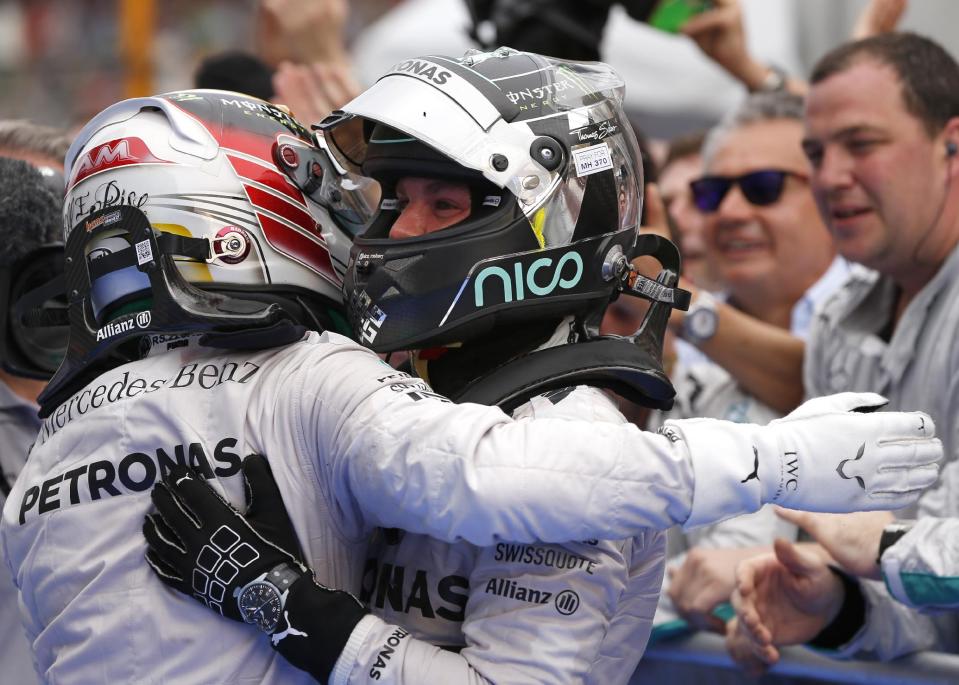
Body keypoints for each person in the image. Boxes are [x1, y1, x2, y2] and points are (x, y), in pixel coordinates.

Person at [0, 73, 938, 685]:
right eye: (396, 201)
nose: (398, 233)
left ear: (540, 226)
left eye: (441, 202)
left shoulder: (576, 435)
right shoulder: (350, 385)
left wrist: (288, 607)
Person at [723, 30, 959, 671]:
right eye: (815, 152)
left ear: (952, 144)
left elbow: (896, 554)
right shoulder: (838, 318)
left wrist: (879, 547)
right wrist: (831, 608)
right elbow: (925, 617)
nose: (829, 177)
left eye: (862, 144)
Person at [647, 90, 850, 638]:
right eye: (713, 193)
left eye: (764, 187)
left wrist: (679, 299)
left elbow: (831, 390)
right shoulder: (688, 355)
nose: (733, 212)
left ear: (835, 193)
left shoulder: (890, 310)